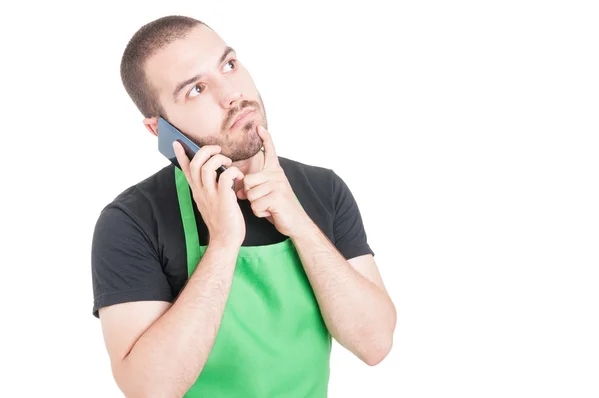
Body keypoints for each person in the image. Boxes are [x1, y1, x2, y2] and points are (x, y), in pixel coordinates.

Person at [91, 15, 396, 398]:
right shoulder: (131, 221)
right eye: (197, 89)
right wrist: (223, 243)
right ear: (159, 129)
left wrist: (300, 223)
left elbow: (375, 344)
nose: (231, 94)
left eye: (229, 65)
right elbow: (150, 388)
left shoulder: (324, 190)